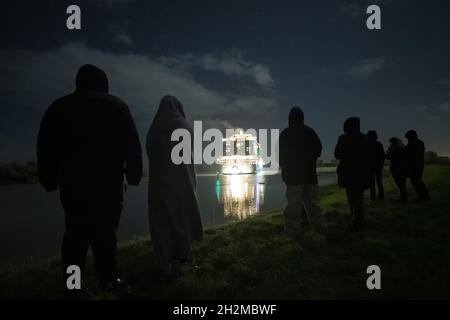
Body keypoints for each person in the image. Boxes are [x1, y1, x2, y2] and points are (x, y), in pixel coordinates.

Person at [37, 64, 143, 294]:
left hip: (73, 184)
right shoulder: (117, 106)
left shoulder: (59, 107)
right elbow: (132, 146)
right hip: (109, 183)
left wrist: (48, 179)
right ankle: (108, 279)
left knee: (75, 234)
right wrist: (134, 175)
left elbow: (45, 146)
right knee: (106, 233)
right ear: (104, 83)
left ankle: (73, 285)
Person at [146, 95, 203, 280]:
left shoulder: (154, 128)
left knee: (161, 223)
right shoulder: (185, 127)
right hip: (181, 182)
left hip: (159, 184)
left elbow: (150, 152)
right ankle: (182, 261)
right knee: (182, 220)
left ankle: (164, 267)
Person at [279, 107, 327, 236]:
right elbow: (318, 150)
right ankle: (320, 229)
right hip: (310, 175)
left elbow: (282, 157)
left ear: (290, 118)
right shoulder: (310, 131)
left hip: (293, 177)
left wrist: (285, 173)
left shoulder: (285, 133)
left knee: (293, 206)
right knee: (313, 205)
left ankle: (293, 231)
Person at [334, 117, 371, 232]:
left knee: (352, 198)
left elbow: (337, 154)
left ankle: (357, 223)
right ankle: (358, 221)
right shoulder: (365, 138)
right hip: (363, 172)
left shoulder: (343, 138)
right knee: (359, 198)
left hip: (348, 172)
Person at [405, 130, 430, 201]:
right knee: (416, 182)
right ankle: (422, 196)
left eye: (408, 137)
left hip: (416, 166)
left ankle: (423, 197)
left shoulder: (416, 143)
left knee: (417, 182)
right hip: (416, 165)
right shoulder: (417, 142)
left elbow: (414, 154)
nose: (408, 139)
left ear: (412, 136)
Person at [386, 137, 408, 203]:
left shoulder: (394, 148)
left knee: (400, 183)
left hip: (396, 168)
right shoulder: (402, 148)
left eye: (390, 142)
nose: (390, 144)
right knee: (402, 183)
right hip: (403, 168)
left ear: (393, 142)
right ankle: (403, 197)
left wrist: (388, 150)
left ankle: (403, 198)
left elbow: (388, 157)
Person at [367, 130, 385, 201]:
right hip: (378, 166)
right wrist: (381, 164)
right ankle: (381, 196)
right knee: (379, 182)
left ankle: (373, 197)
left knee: (372, 183)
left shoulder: (368, 144)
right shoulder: (379, 144)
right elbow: (382, 155)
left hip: (371, 166)